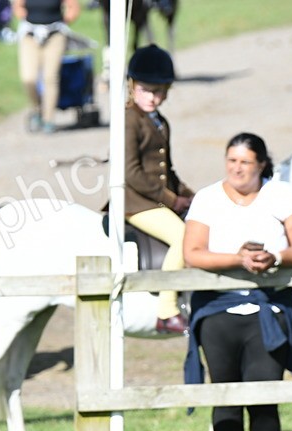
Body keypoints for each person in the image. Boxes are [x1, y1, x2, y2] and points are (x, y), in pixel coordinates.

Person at [182, 133, 292, 431]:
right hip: (217, 310)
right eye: (232, 161)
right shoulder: (207, 198)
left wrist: (275, 257)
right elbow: (193, 252)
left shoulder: (282, 194)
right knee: (225, 393)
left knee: (264, 394)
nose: (237, 169)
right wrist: (236, 259)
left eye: (245, 162)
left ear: (261, 164)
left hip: (268, 308)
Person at [123, 44, 194, 335]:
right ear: (132, 86)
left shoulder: (159, 121)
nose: (153, 97)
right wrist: (171, 200)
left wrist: (191, 195)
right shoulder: (129, 120)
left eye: (159, 91)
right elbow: (130, 172)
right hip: (136, 202)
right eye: (146, 90)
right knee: (182, 236)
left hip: (156, 199)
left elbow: (167, 169)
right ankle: (166, 310)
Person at [13, 0, 80, 134]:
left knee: (50, 78)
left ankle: (48, 119)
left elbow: (73, 7)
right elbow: (18, 6)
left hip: (54, 35)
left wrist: (62, 22)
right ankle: (37, 109)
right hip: (30, 35)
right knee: (28, 78)